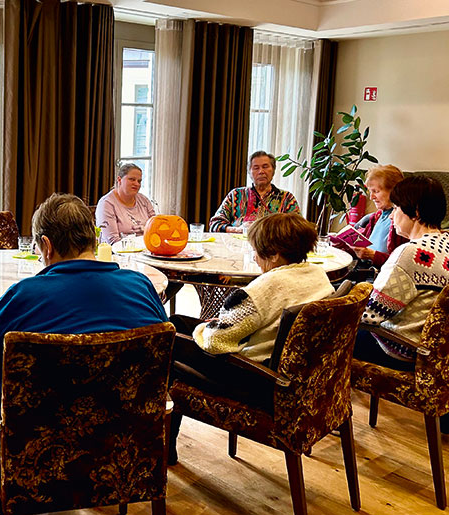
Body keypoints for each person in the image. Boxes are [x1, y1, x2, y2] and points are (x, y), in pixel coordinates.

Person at [167, 213, 334, 464]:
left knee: (169, 338)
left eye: (257, 251)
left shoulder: (264, 289)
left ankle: (163, 446)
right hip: (298, 377)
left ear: (275, 254)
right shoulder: (318, 275)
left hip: (257, 378)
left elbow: (215, 342)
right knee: (179, 321)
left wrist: (205, 329)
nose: (254, 258)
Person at [0, 193, 169, 391]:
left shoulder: (24, 295)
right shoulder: (140, 285)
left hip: (37, 422)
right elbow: (166, 348)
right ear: (95, 239)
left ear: (47, 246)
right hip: (131, 421)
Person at [354, 176, 449, 372]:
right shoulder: (446, 241)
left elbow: (370, 316)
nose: (390, 216)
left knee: (329, 337)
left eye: (396, 208)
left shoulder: (412, 253)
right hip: (438, 352)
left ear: (414, 212)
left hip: (401, 349)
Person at [209, 151, 300, 233]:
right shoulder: (236, 194)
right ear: (249, 172)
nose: (261, 171)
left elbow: (298, 228)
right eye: (256, 168)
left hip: (272, 248)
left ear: (273, 170)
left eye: (265, 167)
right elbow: (214, 224)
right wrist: (238, 230)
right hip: (237, 246)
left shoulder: (287, 198)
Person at [350, 164, 408, 268]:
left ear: (394, 191)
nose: (371, 197)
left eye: (376, 191)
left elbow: (402, 264)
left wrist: (373, 256)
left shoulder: (403, 223)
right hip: (365, 268)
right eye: (370, 192)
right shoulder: (376, 217)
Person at [95, 163, 156, 244]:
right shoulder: (106, 204)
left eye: (139, 181)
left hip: (146, 250)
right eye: (132, 179)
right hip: (118, 253)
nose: (137, 184)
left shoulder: (144, 200)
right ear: (119, 180)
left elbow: (155, 228)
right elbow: (112, 241)